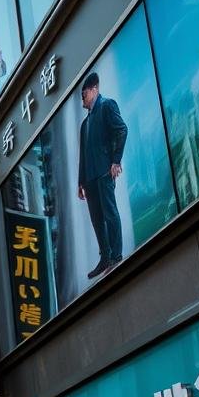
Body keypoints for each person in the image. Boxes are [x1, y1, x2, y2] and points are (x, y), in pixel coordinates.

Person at [76, 71, 129, 280]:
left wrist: (116, 161)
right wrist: (80, 181)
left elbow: (122, 130)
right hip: (89, 178)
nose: (83, 100)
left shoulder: (107, 105)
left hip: (105, 172)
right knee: (97, 220)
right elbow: (83, 155)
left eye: (84, 95)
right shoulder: (84, 124)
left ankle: (116, 255)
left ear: (94, 89)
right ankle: (105, 257)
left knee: (110, 213)